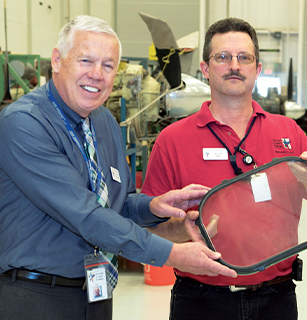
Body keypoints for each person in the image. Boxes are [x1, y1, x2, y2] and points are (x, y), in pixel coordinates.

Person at [0, 15, 236, 320]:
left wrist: (155, 206)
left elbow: (117, 202)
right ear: (57, 60)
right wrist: (172, 254)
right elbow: (86, 215)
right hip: (36, 297)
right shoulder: (24, 123)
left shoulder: (104, 121)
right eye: (86, 60)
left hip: (96, 293)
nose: (97, 74)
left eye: (108, 65)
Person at [141, 17, 307, 320]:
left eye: (244, 57)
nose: (234, 65)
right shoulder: (172, 140)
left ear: (257, 69)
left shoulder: (289, 134)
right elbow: (148, 226)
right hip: (200, 300)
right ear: (205, 68)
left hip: (277, 298)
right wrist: (182, 229)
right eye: (222, 57)